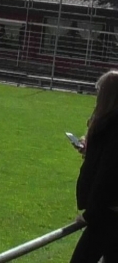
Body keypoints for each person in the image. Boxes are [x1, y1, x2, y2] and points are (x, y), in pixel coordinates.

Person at [70, 70, 118, 263]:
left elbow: (108, 173)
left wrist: (90, 214)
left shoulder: (112, 126)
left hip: (108, 215)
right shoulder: (109, 124)